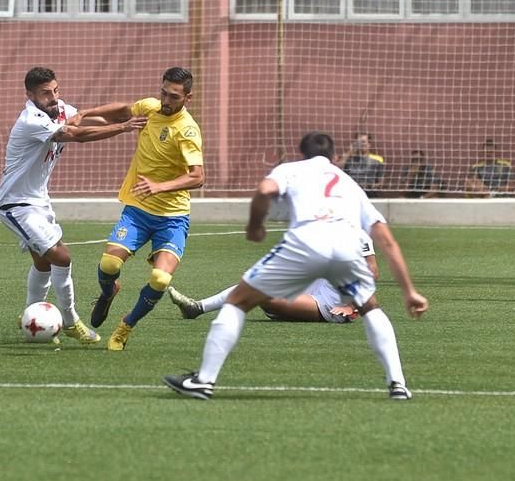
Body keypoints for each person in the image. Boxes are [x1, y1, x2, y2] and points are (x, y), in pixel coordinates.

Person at [163, 131, 428, 401]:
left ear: (302, 154)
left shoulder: (291, 169)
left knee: (239, 301)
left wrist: (255, 226)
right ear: (334, 157)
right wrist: (409, 292)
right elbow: (388, 241)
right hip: (346, 246)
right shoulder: (350, 184)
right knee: (371, 308)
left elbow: (265, 190)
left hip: (306, 242)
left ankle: (204, 380)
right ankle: (398, 385)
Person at [0, 66, 147, 345]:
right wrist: (124, 127)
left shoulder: (60, 108)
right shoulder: (32, 120)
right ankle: (70, 321)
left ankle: (29, 317)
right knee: (62, 257)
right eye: (45, 94)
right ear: (30, 95)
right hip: (15, 204)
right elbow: (77, 135)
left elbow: (94, 120)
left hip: (38, 201)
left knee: (43, 263)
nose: (53, 98)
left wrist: (127, 115)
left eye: (55, 90)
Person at [84, 67, 204, 351]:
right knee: (109, 265)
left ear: (188, 97)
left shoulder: (187, 130)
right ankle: (108, 292)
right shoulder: (150, 108)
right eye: (163, 92)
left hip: (172, 218)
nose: (165, 100)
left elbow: (198, 176)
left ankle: (126, 326)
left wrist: (159, 186)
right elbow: (123, 110)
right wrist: (85, 113)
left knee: (161, 278)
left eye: (173, 96)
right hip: (138, 210)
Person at [167, 231, 379, 324]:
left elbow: (372, 272)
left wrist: (352, 307)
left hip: (332, 303)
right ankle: (197, 308)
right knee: (255, 283)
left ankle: (281, 309)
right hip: (313, 285)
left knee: (264, 296)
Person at [339, 131, 385, 197]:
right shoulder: (348, 158)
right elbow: (337, 168)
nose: (362, 144)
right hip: (351, 192)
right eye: (359, 142)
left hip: (368, 192)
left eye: (363, 142)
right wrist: (350, 151)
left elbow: (381, 182)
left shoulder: (377, 159)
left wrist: (370, 186)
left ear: (369, 144)